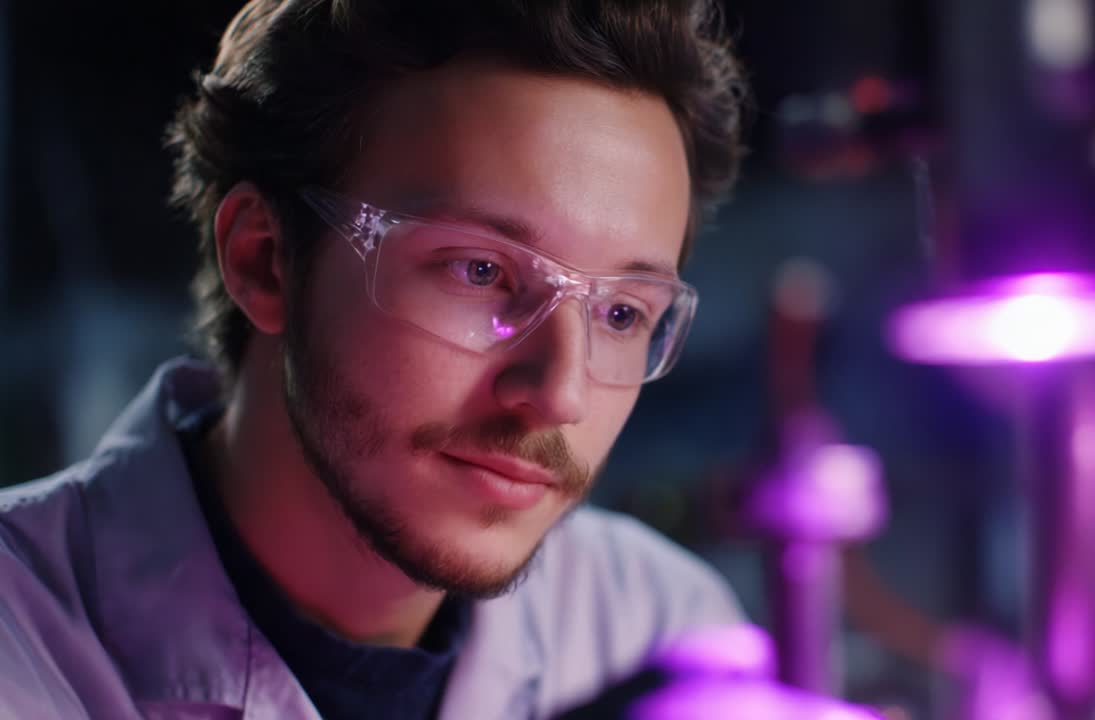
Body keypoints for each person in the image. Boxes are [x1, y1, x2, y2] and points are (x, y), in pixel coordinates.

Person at [0, 1, 754, 718]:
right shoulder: (22, 646)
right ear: (265, 260)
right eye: (479, 271)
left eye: (622, 313)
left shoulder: (655, 630)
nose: (560, 395)